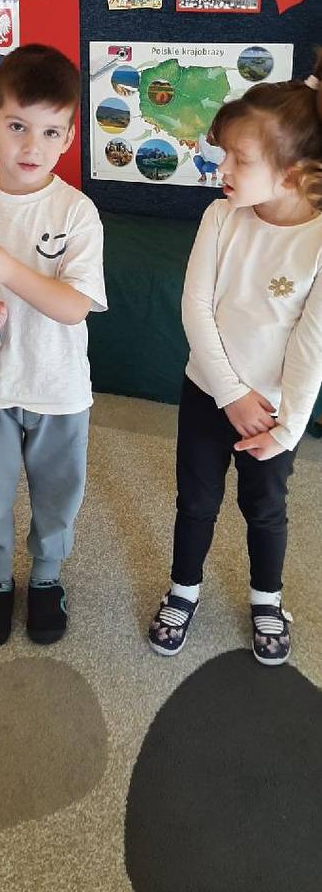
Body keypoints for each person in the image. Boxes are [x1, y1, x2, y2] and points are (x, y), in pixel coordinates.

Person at [149, 63, 322, 666]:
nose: (220, 168)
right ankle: (183, 589)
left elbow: (311, 344)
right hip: (208, 394)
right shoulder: (220, 217)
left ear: (290, 172)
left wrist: (287, 428)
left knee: (266, 509)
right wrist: (229, 394)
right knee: (196, 501)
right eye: (223, 154)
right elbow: (195, 309)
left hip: (271, 412)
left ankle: (267, 598)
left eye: (238, 159)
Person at [0, 44, 106, 647]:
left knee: (58, 494)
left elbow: (74, 305)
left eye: (50, 132)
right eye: (17, 127)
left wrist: (9, 269)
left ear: (69, 137)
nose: (32, 147)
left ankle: (46, 576)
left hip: (58, 388)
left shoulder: (77, 212)